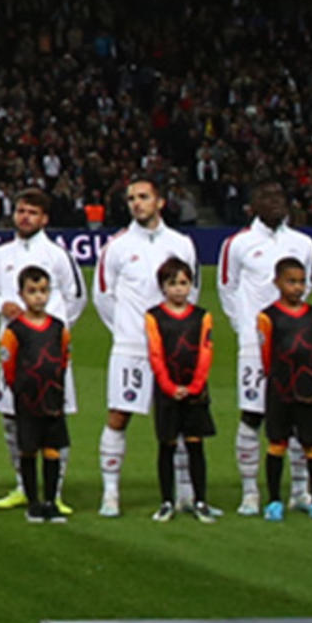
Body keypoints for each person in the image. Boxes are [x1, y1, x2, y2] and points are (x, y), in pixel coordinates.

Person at [93, 176, 197, 521]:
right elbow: (103, 297)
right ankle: (111, 493)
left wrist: (173, 334)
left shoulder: (181, 244)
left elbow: (191, 294)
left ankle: (185, 493)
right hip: (132, 347)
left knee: (178, 419)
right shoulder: (117, 247)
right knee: (119, 416)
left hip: (174, 349)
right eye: (131, 198)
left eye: (143, 197)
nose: (136, 203)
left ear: (160, 202)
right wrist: (128, 332)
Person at [0, 190, 84, 512]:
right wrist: (1, 306)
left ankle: (55, 491)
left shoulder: (58, 255)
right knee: (12, 419)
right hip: (13, 352)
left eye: (33, 212)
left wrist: (53, 333)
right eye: (21, 210)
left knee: (54, 418)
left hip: (49, 357)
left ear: (44, 219)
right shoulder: (0, 254)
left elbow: (75, 297)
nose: (25, 216)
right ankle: (24, 486)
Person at [220, 181, 312, 514]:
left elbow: (310, 285)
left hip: (296, 346)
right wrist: (247, 331)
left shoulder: (303, 243)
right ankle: (250, 492)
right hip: (254, 345)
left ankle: (300, 492)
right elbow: (228, 289)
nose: (276, 203)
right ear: (253, 205)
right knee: (252, 415)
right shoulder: (239, 244)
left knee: (298, 415)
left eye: (281, 197)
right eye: (267, 197)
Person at [256, 258, 312, 523]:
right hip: (280, 388)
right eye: (291, 281)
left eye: (302, 281)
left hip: (308, 389)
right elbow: (266, 355)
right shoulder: (268, 316)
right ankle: (275, 500)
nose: (297, 287)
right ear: (277, 282)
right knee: (277, 443)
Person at [0, 263, 75, 524]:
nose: (39, 296)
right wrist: (19, 388)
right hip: (27, 400)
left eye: (43, 290)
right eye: (32, 291)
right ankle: (33, 503)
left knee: (52, 449)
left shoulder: (58, 327)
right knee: (28, 448)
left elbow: (63, 358)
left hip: (52, 398)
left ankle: (51, 500)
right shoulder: (14, 330)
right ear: (21, 295)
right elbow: (8, 363)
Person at [144, 259, 219, 523]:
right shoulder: (154, 316)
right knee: (167, 444)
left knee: (195, 444)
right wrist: (168, 386)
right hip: (167, 390)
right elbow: (155, 353)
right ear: (163, 287)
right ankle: (167, 501)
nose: (178, 289)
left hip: (195, 390)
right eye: (172, 283)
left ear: (191, 285)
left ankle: (200, 500)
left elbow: (205, 352)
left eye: (183, 283)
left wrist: (195, 386)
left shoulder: (202, 316)